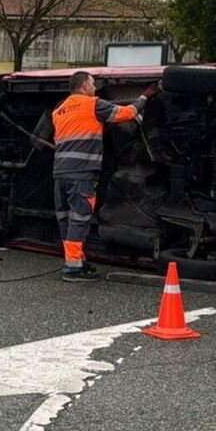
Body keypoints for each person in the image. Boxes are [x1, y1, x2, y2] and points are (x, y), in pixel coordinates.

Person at [52, 71, 159, 282]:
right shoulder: (92, 104)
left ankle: (77, 261)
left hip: (60, 172)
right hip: (81, 172)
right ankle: (72, 269)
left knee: (66, 219)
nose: (95, 88)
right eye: (92, 84)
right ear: (83, 86)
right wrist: (145, 96)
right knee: (80, 218)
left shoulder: (59, 110)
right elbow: (125, 113)